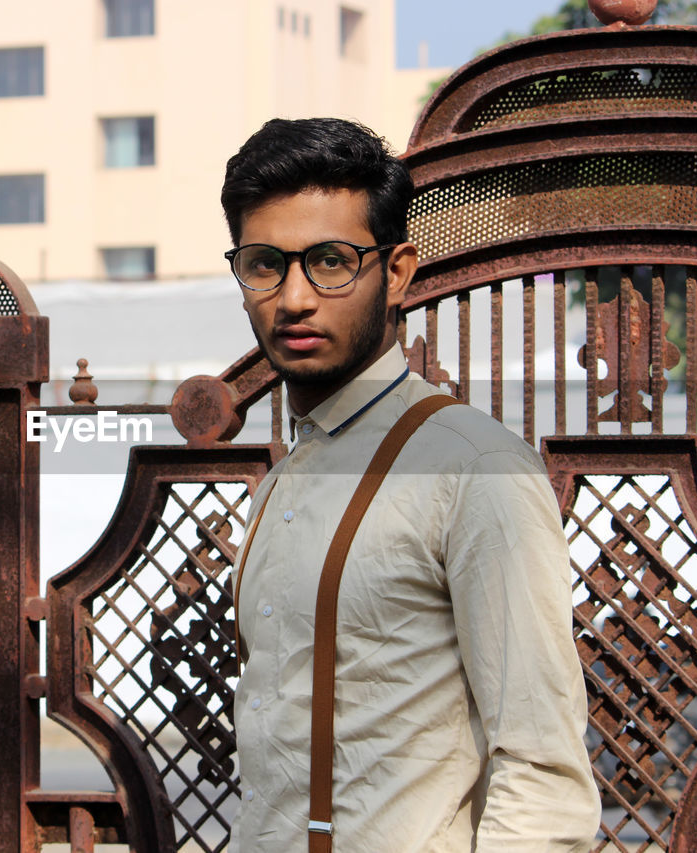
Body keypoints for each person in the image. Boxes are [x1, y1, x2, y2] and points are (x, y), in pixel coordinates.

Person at [222, 117, 600, 852]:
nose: (294, 297)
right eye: (266, 263)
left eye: (330, 261)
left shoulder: (473, 466)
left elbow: (543, 779)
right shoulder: (282, 483)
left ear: (395, 273)